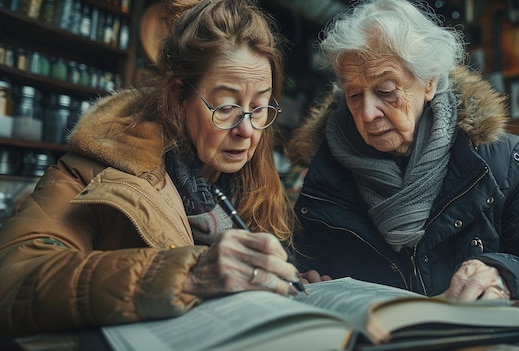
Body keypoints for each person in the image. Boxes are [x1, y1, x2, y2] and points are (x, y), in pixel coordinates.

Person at [0, 0, 302, 336]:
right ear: (178, 98)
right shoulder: (94, 170)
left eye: (258, 108)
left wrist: (290, 279)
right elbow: (13, 280)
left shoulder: (256, 183)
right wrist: (188, 274)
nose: (246, 130)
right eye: (226, 106)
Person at [287, 0, 519, 301]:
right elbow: (301, 267)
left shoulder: (505, 163)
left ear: (429, 82)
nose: (368, 113)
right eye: (354, 95)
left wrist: (508, 276)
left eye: (386, 90)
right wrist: (301, 282)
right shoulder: (326, 173)